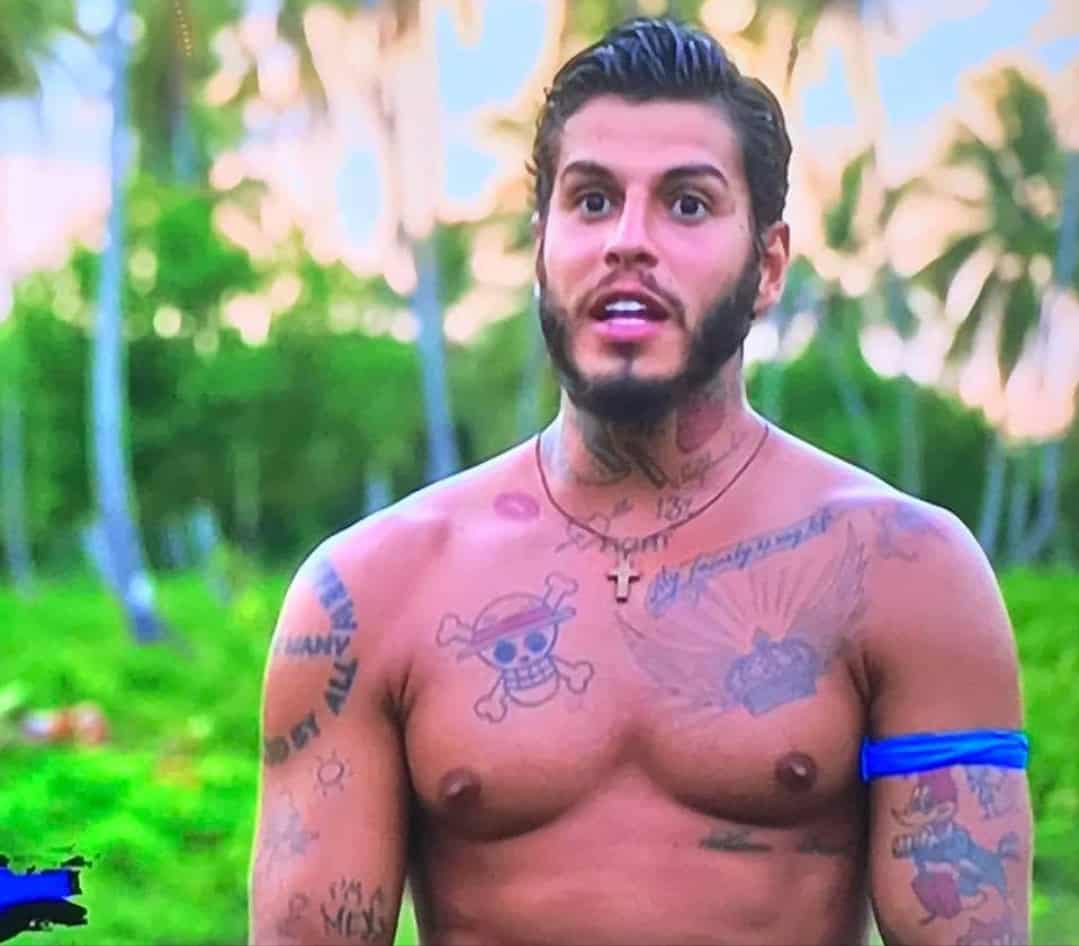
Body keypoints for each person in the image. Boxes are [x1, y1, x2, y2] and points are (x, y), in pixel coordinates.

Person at [248, 16, 1032, 946]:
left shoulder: (904, 571)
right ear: (541, 247)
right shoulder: (370, 593)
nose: (628, 240)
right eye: (591, 201)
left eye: (687, 205)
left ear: (767, 267)